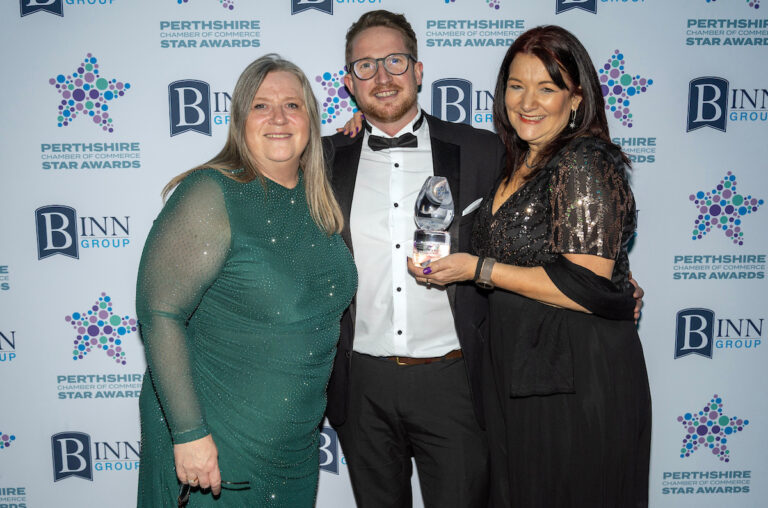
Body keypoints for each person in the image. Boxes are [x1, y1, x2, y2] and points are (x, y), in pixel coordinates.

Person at [415, 26, 652, 507]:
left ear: (577, 98)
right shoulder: (517, 160)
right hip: (521, 369)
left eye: (547, 87)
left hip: (576, 377)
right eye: (516, 85)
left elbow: (586, 283)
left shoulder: (583, 161)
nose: (528, 101)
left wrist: (477, 269)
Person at [135, 54, 357, 506]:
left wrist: (366, 122)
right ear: (240, 120)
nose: (278, 117)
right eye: (260, 105)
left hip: (293, 446)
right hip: (217, 439)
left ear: (311, 119)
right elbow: (159, 313)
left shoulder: (318, 199)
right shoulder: (211, 192)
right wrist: (190, 434)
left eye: (293, 105)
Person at [322, 10, 505, 508]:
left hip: (455, 381)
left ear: (419, 70)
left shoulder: (483, 151)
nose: (382, 77)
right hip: (362, 385)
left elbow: (535, 231)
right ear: (348, 83)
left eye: (395, 61)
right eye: (366, 66)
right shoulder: (321, 159)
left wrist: (610, 276)